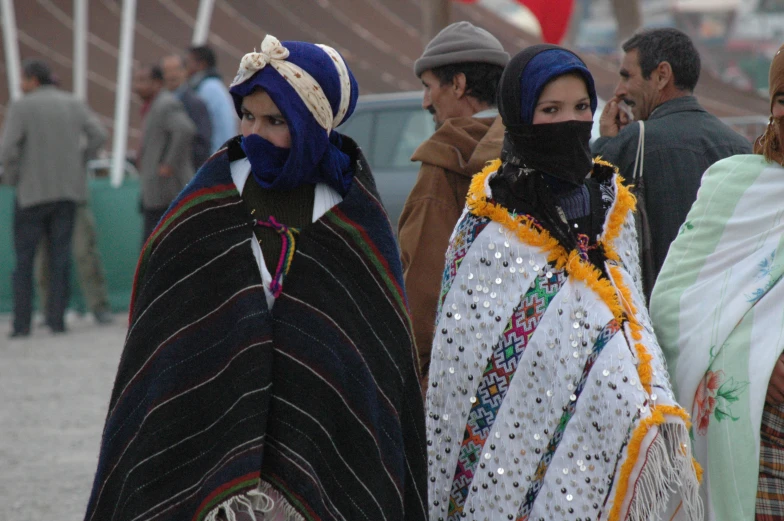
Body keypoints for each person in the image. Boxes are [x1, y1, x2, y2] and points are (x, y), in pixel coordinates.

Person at [83, 35, 427, 521]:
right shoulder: (203, 206)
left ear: (315, 125)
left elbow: (373, 360)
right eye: (248, 116)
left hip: (319, 450)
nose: (255, 133)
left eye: (276, 121)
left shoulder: (354, 220)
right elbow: (165, 340)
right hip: (208, 448)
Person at [426, 44, 701, 521]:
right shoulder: (487, 228)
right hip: (520, 453)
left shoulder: (613, 204)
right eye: (550, 110)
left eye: (581, 109)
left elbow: (632, 320)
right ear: (519, 115)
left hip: (616, 433)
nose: (570, 122)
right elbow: (466, 373)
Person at [650, 43, 784, 521]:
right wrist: (757, 360)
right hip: (758, 437)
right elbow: (674, 305)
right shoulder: (732, 186)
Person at [592, 28, 750, 300]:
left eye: (627, 76)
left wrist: (607, 142)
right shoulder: (739, 146)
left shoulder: (636, 140)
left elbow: (592, 202)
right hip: (724, 312)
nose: (619, 91)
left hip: (656, 314)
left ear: (662, 75)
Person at [398, 21, 509, 379]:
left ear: (458, 85)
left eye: (429, 87)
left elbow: (424, 287)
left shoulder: (443, 163)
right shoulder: (529, 149)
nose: (425, 101)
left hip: (453, 373)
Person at [1, 58, 107, 337]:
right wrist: (81, 160)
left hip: (31, 194)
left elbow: (8, 147)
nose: (21, 85)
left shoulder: (21, 106)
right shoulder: (72, 103)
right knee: (61, 258)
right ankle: (56, 319)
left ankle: (22, 323)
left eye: (23, 79)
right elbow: (98, 134)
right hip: (67, 192)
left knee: (25, 259)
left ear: (33, 80)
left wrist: (13, 178)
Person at [132, 64, 196, 242]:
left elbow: (185, 130)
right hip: (156, 193)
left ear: (158, 83)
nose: (137, 86)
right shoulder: (154, 106)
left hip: (166, 193)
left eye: (143, 81)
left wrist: (168, 164)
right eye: (136, 81)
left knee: (158, 246)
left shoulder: (165, 103)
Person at [37, 203, 114, 325]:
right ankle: (49, 309)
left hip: (74, 196)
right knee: (44, 259)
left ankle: (99, 306)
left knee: (85, 253)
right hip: (43, 199)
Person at [161, 54, 213, 169]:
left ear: (185, 71)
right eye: (167, 71)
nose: (171, 75)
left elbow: (203, 144)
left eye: (176, 70)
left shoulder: (196, 104)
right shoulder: (158, 103)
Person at [186, 45, 238, 152]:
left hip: (214, 157)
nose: (185, 67)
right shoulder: (211, 86)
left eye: (188, 62)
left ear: (201, 64)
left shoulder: (208, 89)